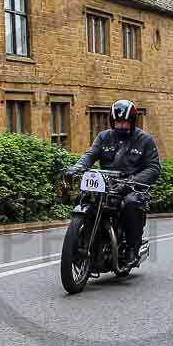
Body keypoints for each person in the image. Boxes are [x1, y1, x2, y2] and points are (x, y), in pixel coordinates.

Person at [66, 100, 161, 266]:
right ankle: (80, 239)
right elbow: (90, 155)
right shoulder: (104, 137)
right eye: (118, 122)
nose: (121, 126)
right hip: (106, 185)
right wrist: (78, 167)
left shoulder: (145, 140)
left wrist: (132, 181)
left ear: (132, 122)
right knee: (84, 198)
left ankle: (132, 249)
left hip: (132, 187)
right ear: (112, 121)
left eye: (124, 122)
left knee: (131, 204)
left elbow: (153, 168)